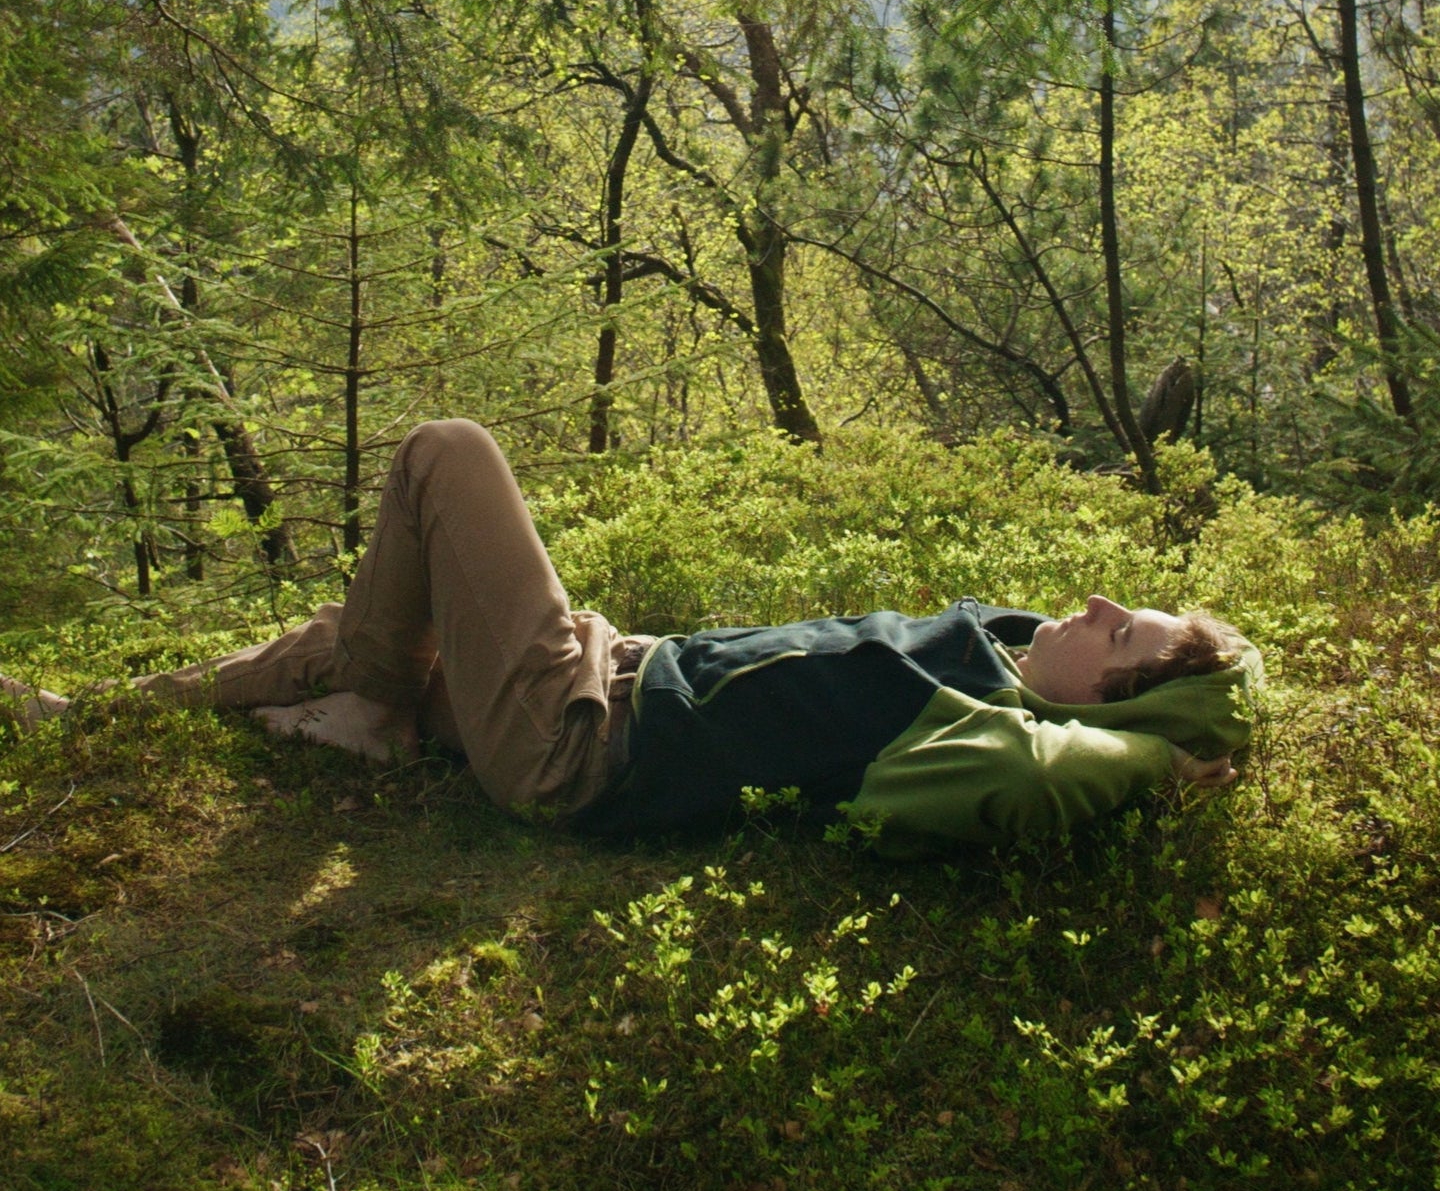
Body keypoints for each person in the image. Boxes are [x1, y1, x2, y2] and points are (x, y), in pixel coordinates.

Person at [1, 420, 1261, 851]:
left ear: (1107, 710)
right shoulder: (1003, 641)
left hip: (577, 750)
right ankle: (85, 721)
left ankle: (372, 715)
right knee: (360, 630)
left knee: (447, 454)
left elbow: (1018, 780)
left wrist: (1158, 754)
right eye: (1123, 608)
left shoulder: (977, 733)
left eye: (1121, 640)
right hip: (615, 670)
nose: (1100, 609)